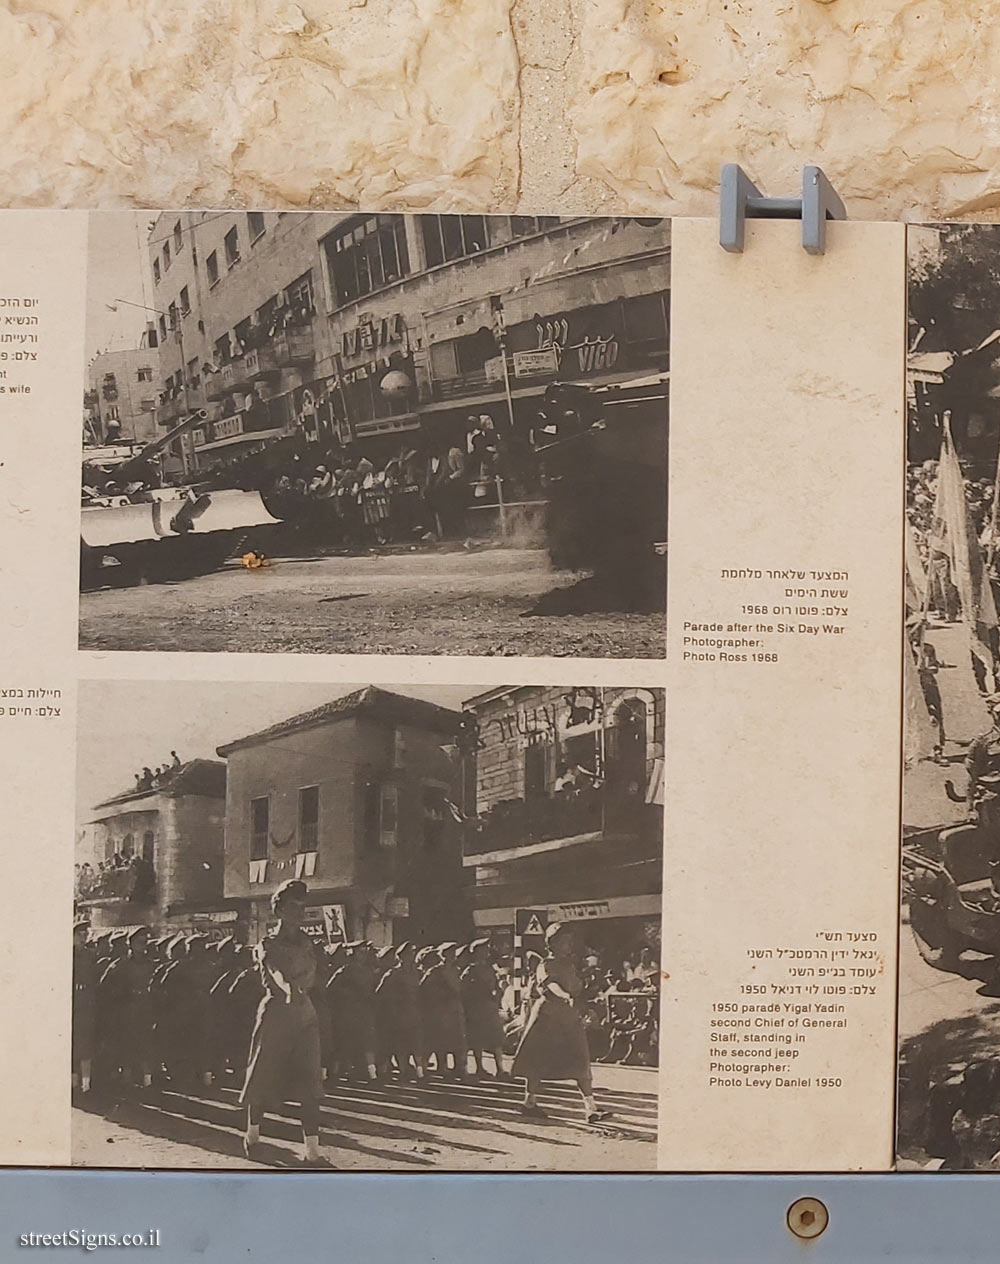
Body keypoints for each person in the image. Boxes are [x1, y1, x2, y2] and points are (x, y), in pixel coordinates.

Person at [240, 880, 331, 1166]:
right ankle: (252, 1134)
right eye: (293, 907)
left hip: (305, 1014)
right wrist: (288, 988)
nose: (300, 913)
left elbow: (316, 975)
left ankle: (312, 1150)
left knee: (310, 1079)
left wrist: (302, 991)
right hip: (277, 1012)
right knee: (262, 1074)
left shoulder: (309, 944)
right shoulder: (267, 943)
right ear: (279, 909)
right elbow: (274, 969)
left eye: (303, 907)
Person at [512, 922, 609, 1123]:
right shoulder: (545, 964)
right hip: (548, 1017)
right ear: (552, 943)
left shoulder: (570, 965)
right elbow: (551, 985)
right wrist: (565, 995)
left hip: (569, 1017)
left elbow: (577, 989)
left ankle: (591, 1108)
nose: (568, 944)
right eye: (564, 941)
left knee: (581, 1058)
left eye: (569, 940)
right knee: (537, 1061)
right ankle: (529, 1103)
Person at [460, 938, 507, 1079]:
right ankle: (480, 1067)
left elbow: (497, 986)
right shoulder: (470, 971)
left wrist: (498, 995)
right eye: (483, 950)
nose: (486, 952)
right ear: (476, 953)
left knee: (496, 1039)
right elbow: (464, 990)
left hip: (490, 1008)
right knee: (477, 1040)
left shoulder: (490, 969)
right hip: (476, 1009)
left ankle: (501, 1069)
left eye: (486, 949)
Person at [71, 920, 98, 1094]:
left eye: (85, 934)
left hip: (86, 1002)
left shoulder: (90, 955)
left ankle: (86, 1084)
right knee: (71, 1042)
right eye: (80, 935)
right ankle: (73, 1081)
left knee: (85, 1042)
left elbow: (95, 980)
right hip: (71, 1002)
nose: (83, 938)